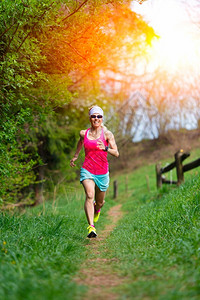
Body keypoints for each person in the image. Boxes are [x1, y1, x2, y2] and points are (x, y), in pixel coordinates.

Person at [70, 105, 119, 238]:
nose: (96, 118)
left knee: (100, 201)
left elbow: (116, 153)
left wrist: (105, 148)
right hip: (87, 170)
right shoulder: (83, 133)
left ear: (102, 118)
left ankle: (97, 209)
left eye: (99, 116)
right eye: (93, 116)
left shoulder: (107, 134)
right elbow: (80, 142)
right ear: (90, 118)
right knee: (89, 195)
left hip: (102, 172)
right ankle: (91, 227)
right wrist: (75, 156)